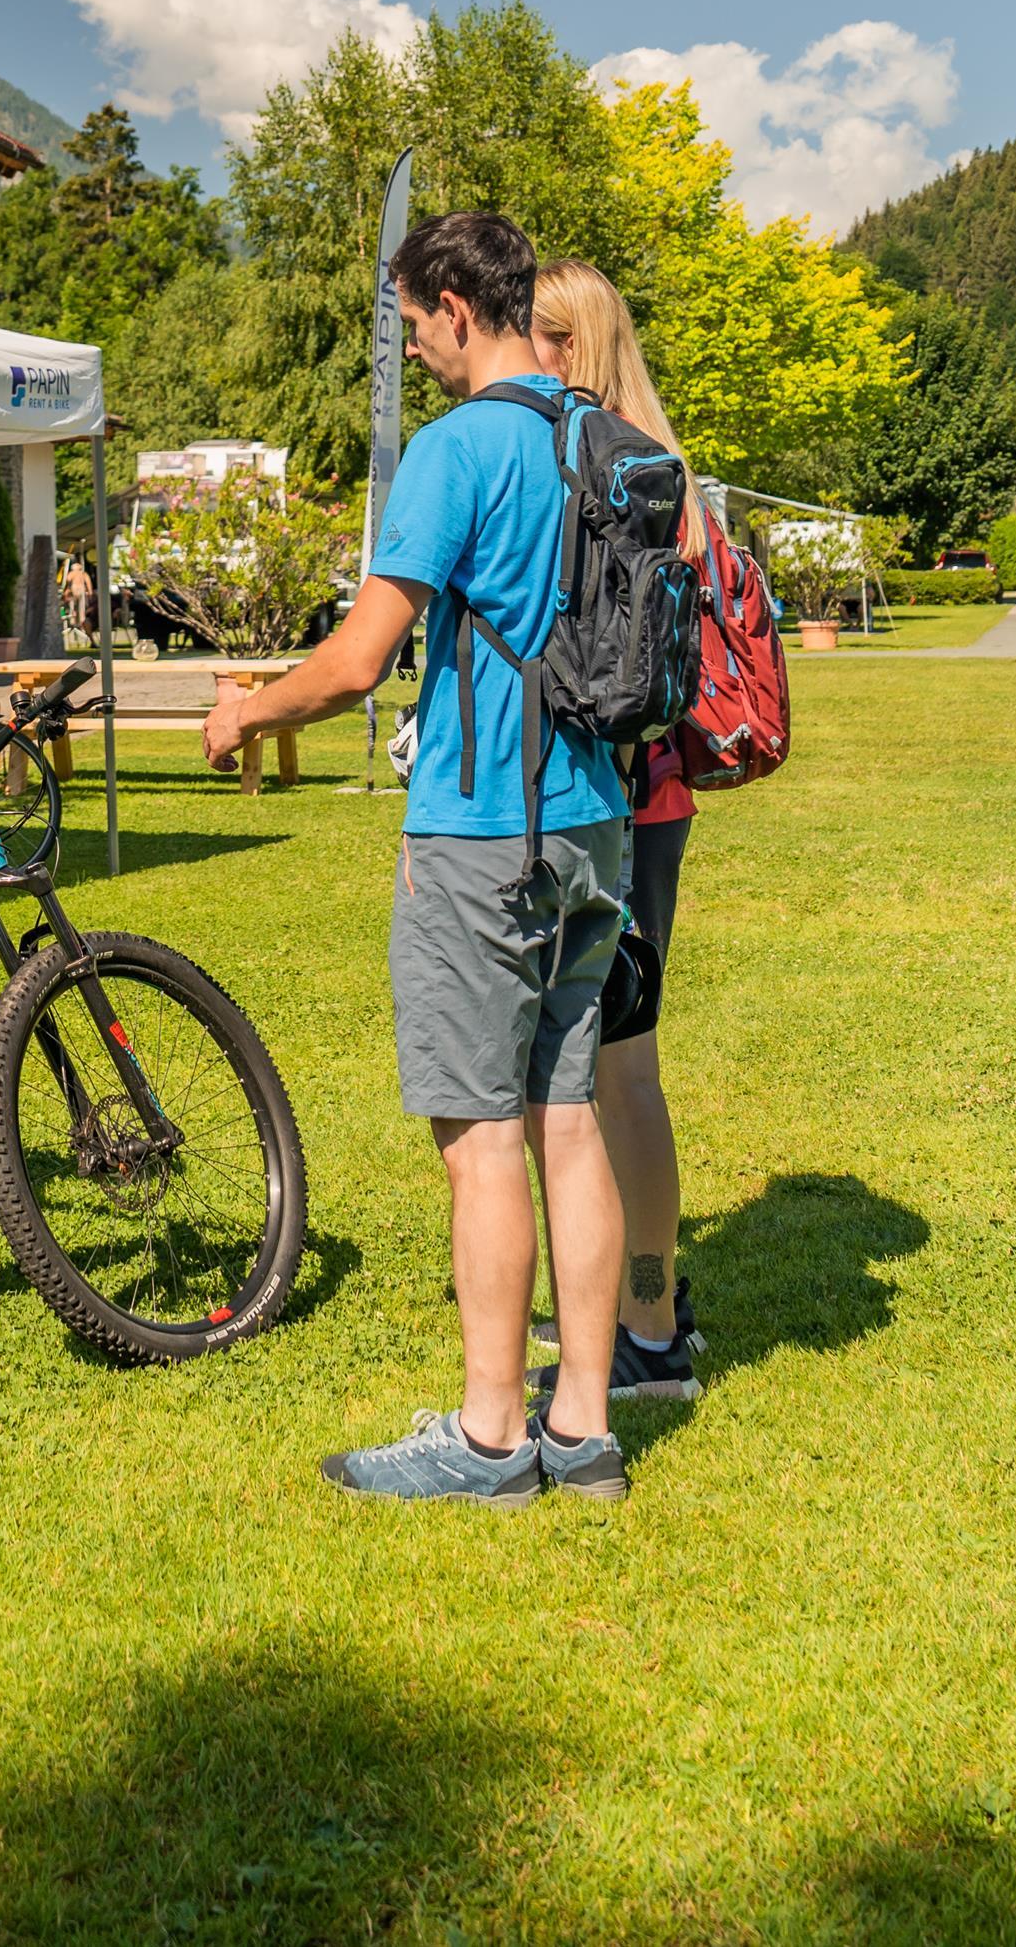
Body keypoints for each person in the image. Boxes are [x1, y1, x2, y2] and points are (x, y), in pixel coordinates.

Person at [208, 210, 634, 1505]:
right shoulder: (595, 432)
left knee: (481, 1135)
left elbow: (357, 662)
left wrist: (248, 712)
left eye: (410, 323)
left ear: (455, 306)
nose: (411, 348)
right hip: (594, 820)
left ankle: (491, 1438)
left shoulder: (458, 449)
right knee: (569, 1119)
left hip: (481, 829)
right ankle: (584, 1427)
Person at [526, 259, 706, 1405]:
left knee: (613, 1072)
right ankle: (643, 1301)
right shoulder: (658, 465)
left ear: (569, 345)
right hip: (653, 797)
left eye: (533, 334)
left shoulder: (599, 468)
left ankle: (648, 1332)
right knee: (610, 1068)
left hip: (613, 798)